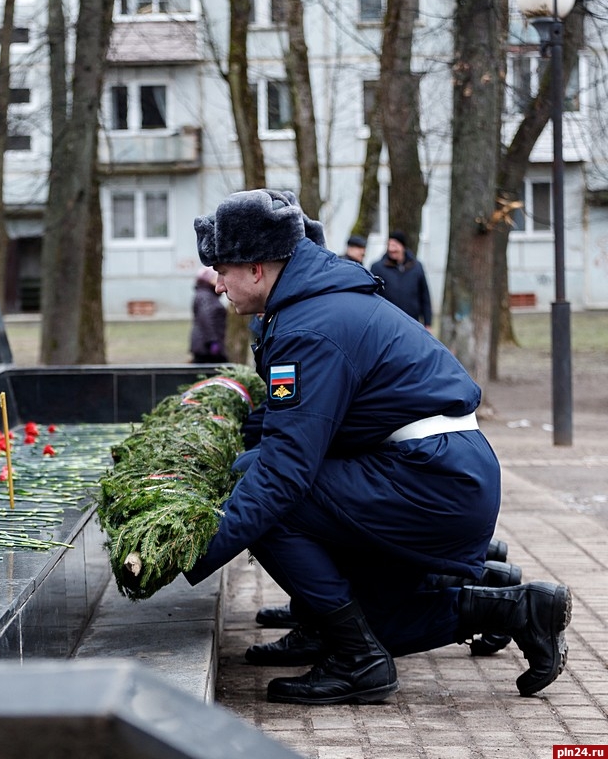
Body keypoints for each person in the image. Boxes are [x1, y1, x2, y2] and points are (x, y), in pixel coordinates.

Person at [185, 189, 571, 705]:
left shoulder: (310, 327)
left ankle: (358, 663)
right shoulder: (309, 310)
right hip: (438, 474)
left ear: (256, 268)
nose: (215, 281)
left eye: (221, 267)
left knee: (269, 495)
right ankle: (518, 608)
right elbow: (297, 425)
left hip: (432, 482)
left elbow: (283, 473)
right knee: (379, 620)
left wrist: (193, 553)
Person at [371, 230, 432, 329]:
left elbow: (424, 296)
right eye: (389, 245)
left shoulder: (417, 267)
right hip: (387, 323)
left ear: (403, 246)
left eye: (395, 245)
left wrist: (428, 323)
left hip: (412, 323)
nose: (391, 249)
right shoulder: (377, 268)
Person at [189, 267, 227, 364]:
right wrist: (213, 342)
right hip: (206, 348)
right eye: (215, 277)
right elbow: (206, 319)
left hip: (206, 346)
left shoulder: (208, 295)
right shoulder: (205, 296)